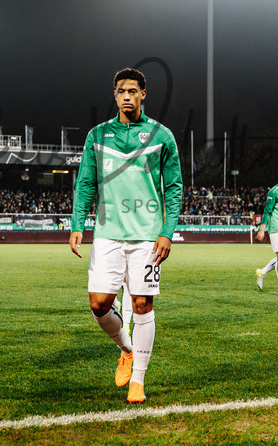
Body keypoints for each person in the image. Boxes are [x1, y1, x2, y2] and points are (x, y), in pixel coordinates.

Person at [69, 68, 183, 404]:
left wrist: (166, 232)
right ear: (114, 95)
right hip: (107, 233)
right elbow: (86, 182)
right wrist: (77, 223)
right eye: (121, 91)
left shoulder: (162, 136)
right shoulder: (98, 135)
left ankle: (138, 381)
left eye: (133, 90)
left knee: (142, 304)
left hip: (147, 236)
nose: (127, 96)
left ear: (143, 94)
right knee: (98, 303)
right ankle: (126, 348)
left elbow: (174, 187)